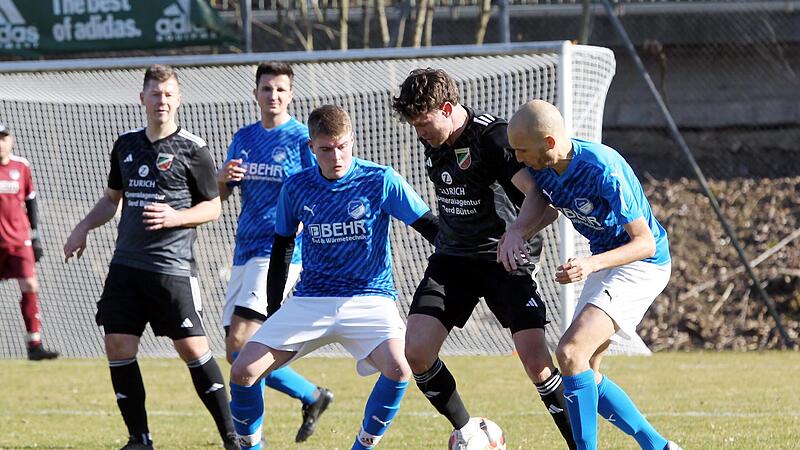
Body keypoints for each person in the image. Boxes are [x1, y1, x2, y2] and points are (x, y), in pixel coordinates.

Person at [228, 105, 439, 450]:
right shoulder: (296, 187)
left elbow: (432, 228)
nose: (336, 156)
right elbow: (282, 246)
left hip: (370, 297)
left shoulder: (380, 179)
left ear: (352, 141)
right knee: (243, 371)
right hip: (312, 298)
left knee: (400, 368)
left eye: (342, 146)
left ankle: (362, 447)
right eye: (326, 149)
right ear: (312, 148)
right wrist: (273, 305)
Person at [391, 68, 575, 449]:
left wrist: (516, 233)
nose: (420, 133)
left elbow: (541, 198)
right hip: (453, 259)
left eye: (424, 124)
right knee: (417, 351)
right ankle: (470, 432)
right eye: (415, 126)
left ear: (447, 107)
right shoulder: (434, 137)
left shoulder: (493, 137)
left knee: (537, 364)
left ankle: (581, 444)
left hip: (503, 258)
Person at [63, 65, 237, 450]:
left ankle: (231, 438)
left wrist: (177, 216)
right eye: (155, 94)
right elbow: (112, 200)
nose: (162, 101)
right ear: (142, 98)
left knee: (192, 348)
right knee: (118, 346)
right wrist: (82, 227)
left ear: (179, 99)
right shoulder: (126, 144)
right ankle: (139, 439)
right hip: (126, 266)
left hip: (171, 269)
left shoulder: (194, 148)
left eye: (169, 94)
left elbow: (212, 207)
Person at [501, 99, 682, 450]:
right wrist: (516, 231)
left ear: (550, 143)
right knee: (586, 369)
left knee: (569, 352)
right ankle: (659, 446)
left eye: (523, 150)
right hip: (607, 262)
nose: (519, 159)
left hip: (642, 264)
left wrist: (589, 265)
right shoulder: (543, 165)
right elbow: (543, 200)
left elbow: (644, 242)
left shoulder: (603, 168)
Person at [218, 61, 333, 443]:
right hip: (244, 251)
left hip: (280, 252)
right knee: (236, 354)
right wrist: (222, 180)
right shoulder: (244, 137)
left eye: (281, 89)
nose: (274, 95)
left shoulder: (302, 138)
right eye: (267, 88)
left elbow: (318, 189)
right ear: (256, 93)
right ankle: (312, 395)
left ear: (291, 94)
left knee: (242, 342)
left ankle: (253, 441)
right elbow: (221, 195)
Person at [0, 123, 59, 361]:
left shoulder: (21, 166)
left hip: (19, 240)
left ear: (10, 140)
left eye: (4, 137)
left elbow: (30, 201)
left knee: (30, 285)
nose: (1, 142)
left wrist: (35, 236)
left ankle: (34, 344)